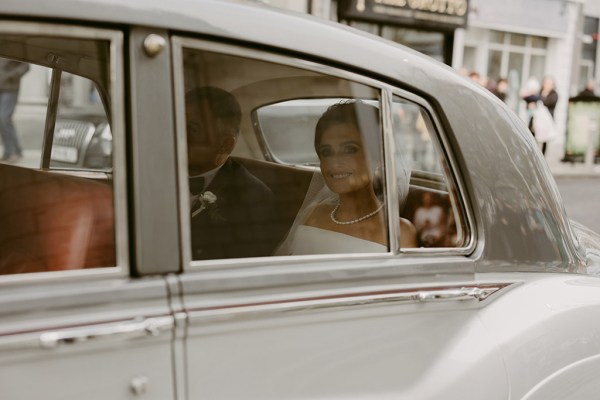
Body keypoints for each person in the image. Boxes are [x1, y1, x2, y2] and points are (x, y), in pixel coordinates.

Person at [278, 100, 417, 255]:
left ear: (378, 156)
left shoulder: (399, 233)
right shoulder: (313, 215)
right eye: (326, 152)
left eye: (349, 149)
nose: (335, 162)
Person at [185, 86, 276, 260]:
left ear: (225, 144)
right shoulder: (149, 176)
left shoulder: (255, 199)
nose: (178, 135)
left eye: (193, 129)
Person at [0, 59, 29, 163]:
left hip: (10, 88)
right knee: (2, 121)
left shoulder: (14, 45)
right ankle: (13, 151)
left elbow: (26, 66)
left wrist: (13, 75)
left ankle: (12, 153)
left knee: (4, 118)